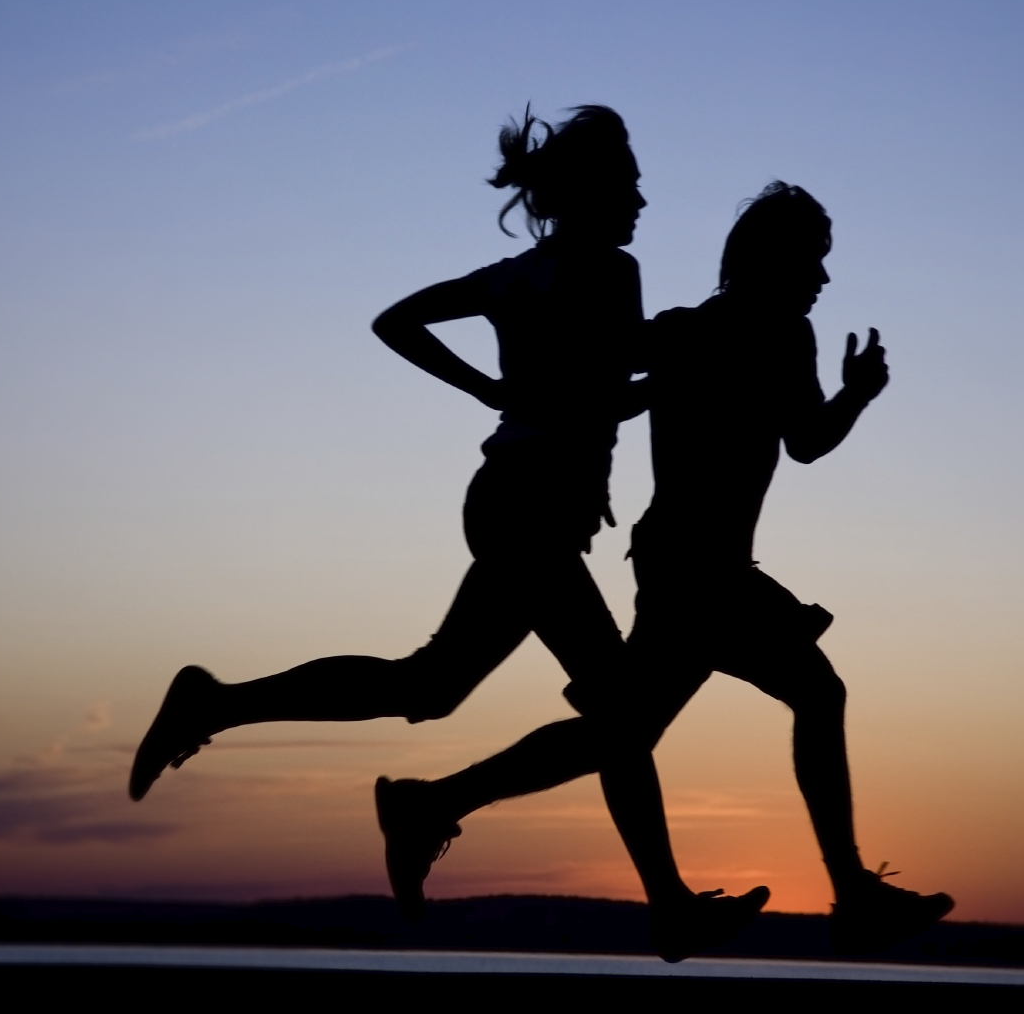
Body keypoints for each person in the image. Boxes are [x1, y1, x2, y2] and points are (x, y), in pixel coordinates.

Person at [373, 182, 955, 961]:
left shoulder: (769, 333)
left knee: (621, 732)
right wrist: (525, 383)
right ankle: (851, 894)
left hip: (698, 566)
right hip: (693, 570)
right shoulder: (705, 331)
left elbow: (804, 439)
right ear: (770, 260)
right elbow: (601, 370)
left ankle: (433, 803)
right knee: (810, 693)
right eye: (812, 260)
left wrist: (854, 393)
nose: (822, 277)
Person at [129, 105, 653, 831]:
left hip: (507, 497)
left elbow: (397, 321)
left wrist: (490, 389)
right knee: (623, 705)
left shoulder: (511, 278)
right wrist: (697, 362)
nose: (641, 202)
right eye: (630, 186)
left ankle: (220, 706)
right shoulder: (613, 271)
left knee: (431, 686)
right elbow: (613, 387)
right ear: (593, 193)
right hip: (534, 507)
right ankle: (430, 807)